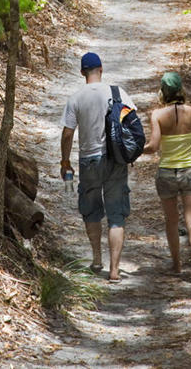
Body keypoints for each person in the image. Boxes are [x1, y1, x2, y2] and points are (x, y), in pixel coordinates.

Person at [60, 51, 134, 282]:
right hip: (114, 159)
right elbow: (132, 123)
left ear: (82, 72)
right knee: (116, 215)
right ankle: (114, 270)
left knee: (91, 210)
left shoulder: (75, 98)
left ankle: (96, 259)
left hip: (88, 160)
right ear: (101, 69)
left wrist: (65, 161)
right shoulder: (117, 92)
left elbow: (68, 133)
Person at [143, 71, 191, 285]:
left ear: (163, 92)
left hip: (167, 172)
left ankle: (177, 266)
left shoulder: (157, 115)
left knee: (172, 221)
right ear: (181, 90)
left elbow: (153, 147)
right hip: (190, 171)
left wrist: (134, 150)